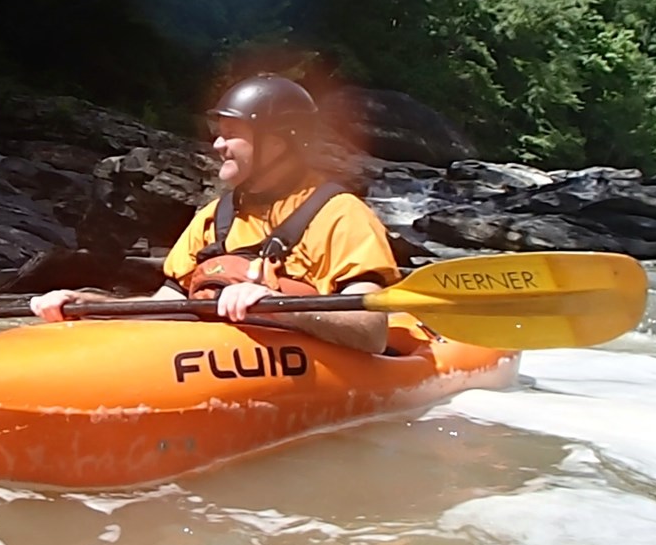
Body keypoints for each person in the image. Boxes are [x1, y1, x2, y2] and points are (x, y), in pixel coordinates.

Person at [29, 73, 401, 353]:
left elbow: (371, 334)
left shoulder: (341, 216)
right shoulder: (213, 216)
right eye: (218, 132)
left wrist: (280, 308)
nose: (218, 144)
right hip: (211, 357)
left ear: (277, 142)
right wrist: (94, 306)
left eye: (232, 133)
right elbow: (168, 306)